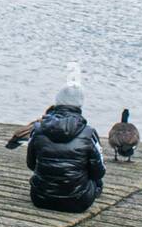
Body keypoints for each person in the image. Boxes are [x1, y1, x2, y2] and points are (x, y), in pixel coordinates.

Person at [26, 84, 105, 213]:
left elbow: (31, 164)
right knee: (96, 177)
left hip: (40, 198)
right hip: (78, 201)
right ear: (79, 106)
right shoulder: (89, 133)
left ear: (57, 102)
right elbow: (99, 172)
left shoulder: (38, 129)